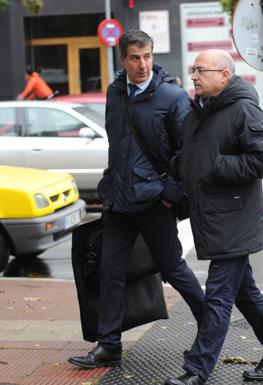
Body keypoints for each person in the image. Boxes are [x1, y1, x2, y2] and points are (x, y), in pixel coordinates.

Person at [67, 30, 205, 370]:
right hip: (118, 200)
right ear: (123, 60)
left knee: (172, 268)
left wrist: (172, 193)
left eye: (147, 57)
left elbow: (188, 151)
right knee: (110, 271)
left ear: (152, 56)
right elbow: (119, 146)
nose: (142, 65)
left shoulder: (172, 96)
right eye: (134, 58)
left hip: (154, 202)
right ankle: (109, 345)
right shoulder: (115, 94)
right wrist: (110, 183)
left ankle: (211, 325)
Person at [164, 49, 263, 385]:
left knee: (219, 296)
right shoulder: (201, 110)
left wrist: (218, 167)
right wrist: (180, 172)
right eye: (193, 70)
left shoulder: (243, 108)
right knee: (243, 292)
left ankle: (197, 369)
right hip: (212, 216)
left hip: (233, 219)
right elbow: (192, 157)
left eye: (200, 71)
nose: (193, 76)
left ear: (223, 75)